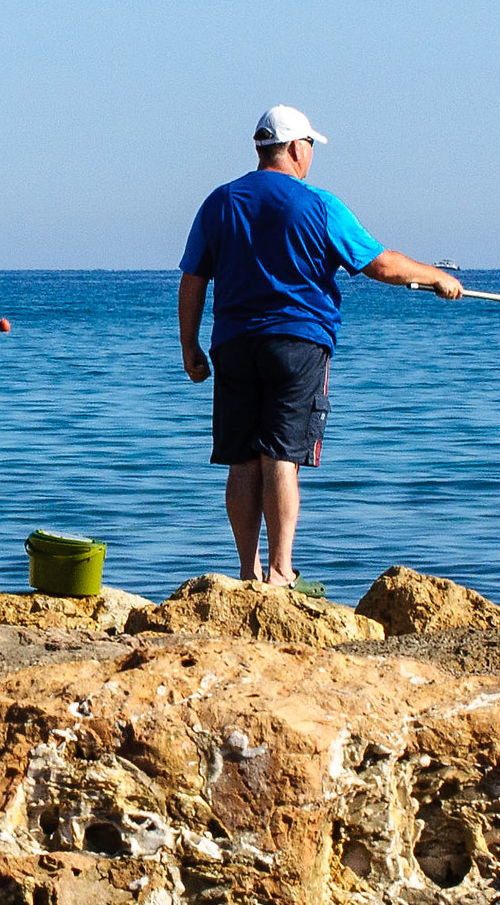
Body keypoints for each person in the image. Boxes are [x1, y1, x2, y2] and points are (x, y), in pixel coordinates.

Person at [178, 105, 461, 592]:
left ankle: (247, 572)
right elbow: (381, 264)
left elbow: (193, 279)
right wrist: (436, 277)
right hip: (298, 343)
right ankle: (280, 571)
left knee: (242, 458)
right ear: (293, 148)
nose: (311, 155)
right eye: (309, 146)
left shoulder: (219, 202)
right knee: (281, 455)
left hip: (234, 343)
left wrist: (190, 346)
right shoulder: (319, 204)